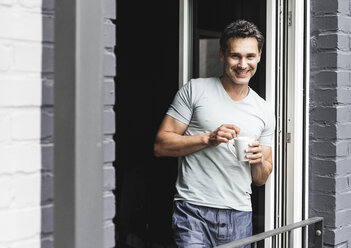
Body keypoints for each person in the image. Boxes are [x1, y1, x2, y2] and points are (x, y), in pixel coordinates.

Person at [154, 19, 275, 248]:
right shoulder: (194, 90)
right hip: (192, 210)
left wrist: (258, 161)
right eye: (235, 56)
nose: (243, 64)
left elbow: (260, 178)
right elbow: (160, 145)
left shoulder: (265, 110)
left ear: (259, 55)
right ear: (222, 55)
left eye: (250, 56)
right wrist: (208, 138)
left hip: (238, 215)